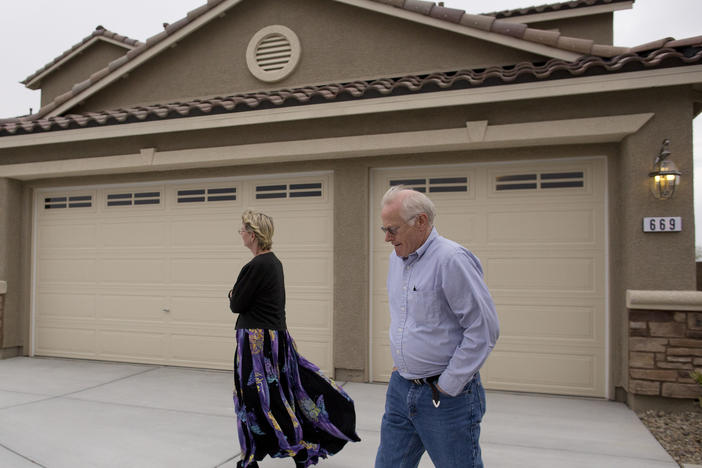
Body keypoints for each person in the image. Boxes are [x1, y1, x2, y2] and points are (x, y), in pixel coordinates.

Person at [374, 186, 500, 468]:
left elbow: (483, 329)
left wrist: (448, 384)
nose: (386, 238)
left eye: (392, 229)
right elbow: (408, 318)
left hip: (445, 399)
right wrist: (403, 362)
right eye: (384, 229)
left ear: (420, 222)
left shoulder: (451, 259)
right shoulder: (398, 258)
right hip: (400, 390)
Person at [228, 209, 360, 468]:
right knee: (275, 396)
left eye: (242, 230)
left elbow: (237, 303)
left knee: (257, 399)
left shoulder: (256, 266)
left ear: (252, 235)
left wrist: (232, 294)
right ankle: (270, 452)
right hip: (273, 338)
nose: (240, 234)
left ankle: (284, 451)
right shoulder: (274, 263)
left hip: (256, 344)